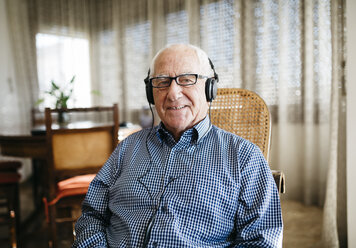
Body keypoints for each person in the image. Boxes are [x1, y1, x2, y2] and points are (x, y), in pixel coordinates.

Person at [73, 44, 283, 247]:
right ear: (150, 93)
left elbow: (261, 240)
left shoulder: (245, 157)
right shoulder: (127, 148)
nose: (173, 93)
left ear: (210, 89)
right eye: (162, 81)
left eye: (186, 80)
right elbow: (92, 215)